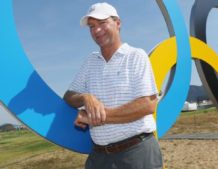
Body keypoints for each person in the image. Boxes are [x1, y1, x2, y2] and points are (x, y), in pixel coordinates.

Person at [63, 2, 163, 169]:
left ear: (118, 23)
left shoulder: (136, 56)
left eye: (102, 23)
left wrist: (92, 118)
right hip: (100, 157)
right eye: (92, 26)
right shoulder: (90, 62)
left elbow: (147, 105)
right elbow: (68, 96)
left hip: (137, 154)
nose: (96, 30)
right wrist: (86, 98)